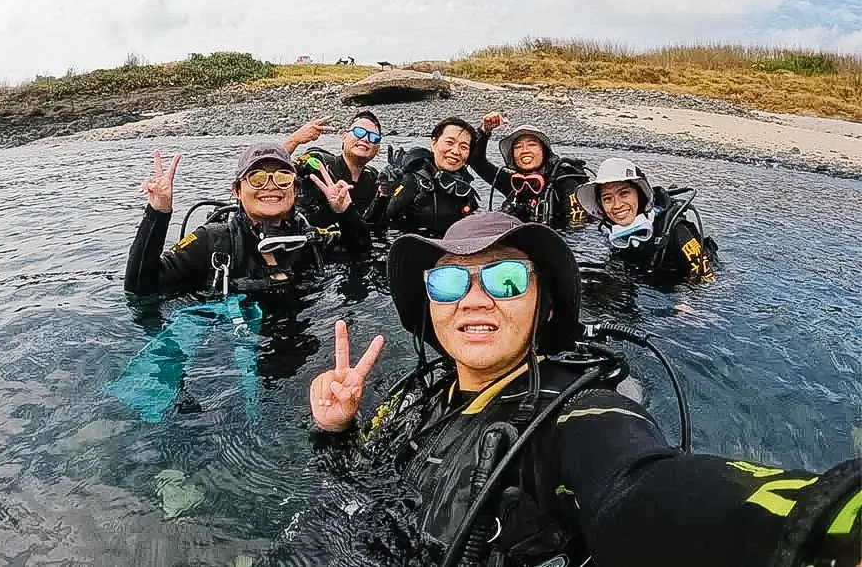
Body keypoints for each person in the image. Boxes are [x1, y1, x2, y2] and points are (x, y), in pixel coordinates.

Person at [306, 211, 860, 567]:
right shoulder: (418, 396)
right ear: (429, 304)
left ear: (543, 304)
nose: (473, 300)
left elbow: (641, 483)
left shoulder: (578, 414)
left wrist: (820, 530)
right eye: (449, 280)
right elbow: (366, 484)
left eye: (506, 279)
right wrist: (336, 430)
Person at [124, 143, 370, 296]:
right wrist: (157, 212)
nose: (271, 185)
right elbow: (140, 287)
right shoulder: (213, 241)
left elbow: (360, 252)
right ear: (237, 191)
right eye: (257, 178)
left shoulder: (307, 239)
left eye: (282, 177)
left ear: (295, 190)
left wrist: (344, 212)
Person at [575, 157, 716, 283]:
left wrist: (684, 299)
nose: (617, 205)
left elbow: (706, 281)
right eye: (607, 199)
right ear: (601, 205)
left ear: (640, 194)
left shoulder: (675, 230)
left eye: (624, 193)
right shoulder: (611, 232)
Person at [468, 111, 590, 228]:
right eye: (518, 146)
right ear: (512, 155)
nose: (525, 150)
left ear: (544, 151)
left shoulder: (565, 181)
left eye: (532, 144)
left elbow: (578, 228)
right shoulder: (514, 183)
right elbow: (476, 162)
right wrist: (484, 130)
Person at [366, 117, 480, 238]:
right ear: (434, 143)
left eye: (464, 147)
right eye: (450, 142)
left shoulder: (464, 187)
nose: (456, 151)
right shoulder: (412, 181)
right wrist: (383, 193)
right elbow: (372, 226)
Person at [284, 112, 382, 230]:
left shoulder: (373, 178)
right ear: (344, 137)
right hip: (304, 236)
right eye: (359, 132)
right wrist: (293, 141)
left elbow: (374, 224)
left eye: (373, 137)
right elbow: (272, 175)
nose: (366, 139)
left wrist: (385, 194)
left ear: (377, 149)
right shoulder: (317, 162)